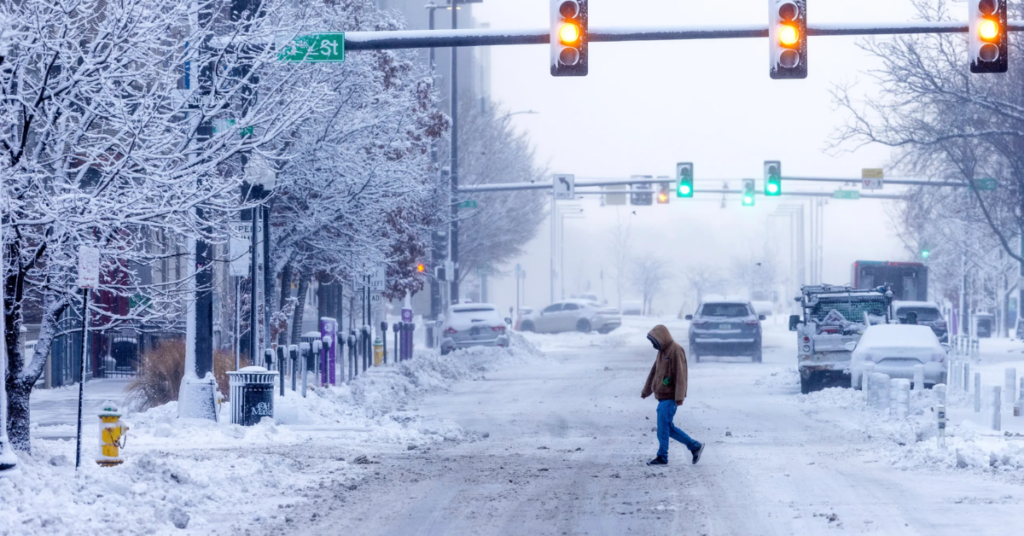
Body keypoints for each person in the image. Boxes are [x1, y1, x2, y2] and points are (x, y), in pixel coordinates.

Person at [641, 324, 704, 466]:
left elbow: (681, 375)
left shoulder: (676, 350)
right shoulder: (661, 352)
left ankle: (662, 457)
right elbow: (654, 372)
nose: (653, 345)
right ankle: (695, 446)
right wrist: (646, 391)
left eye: (654, 341)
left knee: (663, 429)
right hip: (662, 397)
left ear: (662, 338)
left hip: (670, 397)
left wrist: (679, 397)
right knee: (668, 428)